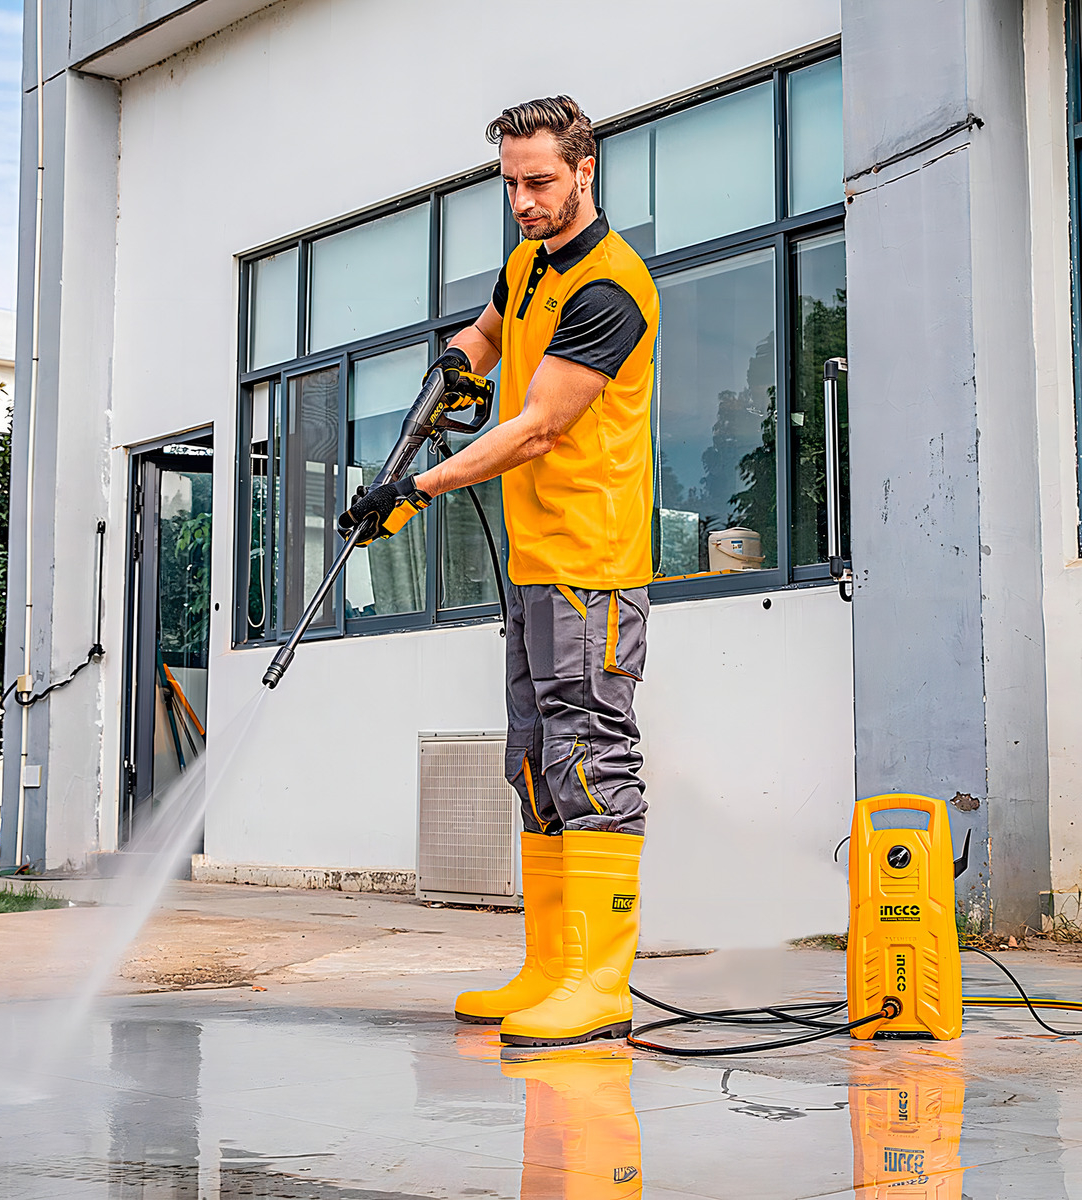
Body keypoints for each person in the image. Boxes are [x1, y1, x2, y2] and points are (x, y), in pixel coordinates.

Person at [338, 95, 659, 1047]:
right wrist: (459, 359)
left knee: (593, 754)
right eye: (510, 184)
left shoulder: (612, 287)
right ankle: (549, 968)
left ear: (584, 172)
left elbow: (537, 426)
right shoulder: (528, 264)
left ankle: (601, 983)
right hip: (531, 563)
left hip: (590, 563)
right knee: (535, 763)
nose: (522, 200)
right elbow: (489, 331)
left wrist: (416, 485)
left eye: (540, 182)